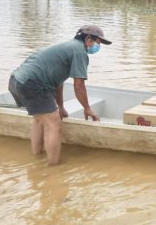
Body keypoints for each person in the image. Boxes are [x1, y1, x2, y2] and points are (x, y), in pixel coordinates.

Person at [8, 24, 111, 165]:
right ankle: (54, 168)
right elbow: (79, 86)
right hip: (32, 84)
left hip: (16, 80)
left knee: (39, 119)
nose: (98, 46)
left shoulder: (69, 46)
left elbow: (58, 81)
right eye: (98, 42)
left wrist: (60, 106)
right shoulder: (80, 52)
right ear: (88, 39)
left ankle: (36, 158)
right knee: (54, 123)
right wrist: (87, 108)